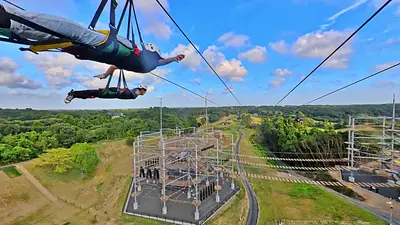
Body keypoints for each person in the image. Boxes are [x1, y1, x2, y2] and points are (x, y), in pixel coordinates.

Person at [0, 5, 185, 73]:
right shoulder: (138, 64)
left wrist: (173, 59)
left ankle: (9, 18)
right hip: (90, 52)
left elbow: (161, 61)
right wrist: (106, 74)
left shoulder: (150, 61)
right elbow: (115, 66)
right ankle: (12, 26)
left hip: (100, 44)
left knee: (65, 27)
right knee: (57, 35)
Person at [64, 85, 148, 104]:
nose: (144, 93)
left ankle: (74, 94)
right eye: (144, 91)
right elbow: (118, 90)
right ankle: (73, 94)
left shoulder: (133, 93)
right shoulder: (134, 92)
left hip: (108, 94)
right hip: (107, 93)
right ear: (142, 90)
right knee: (88, 94)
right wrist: (105, 89)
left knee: (88, 94)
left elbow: (119, 90)